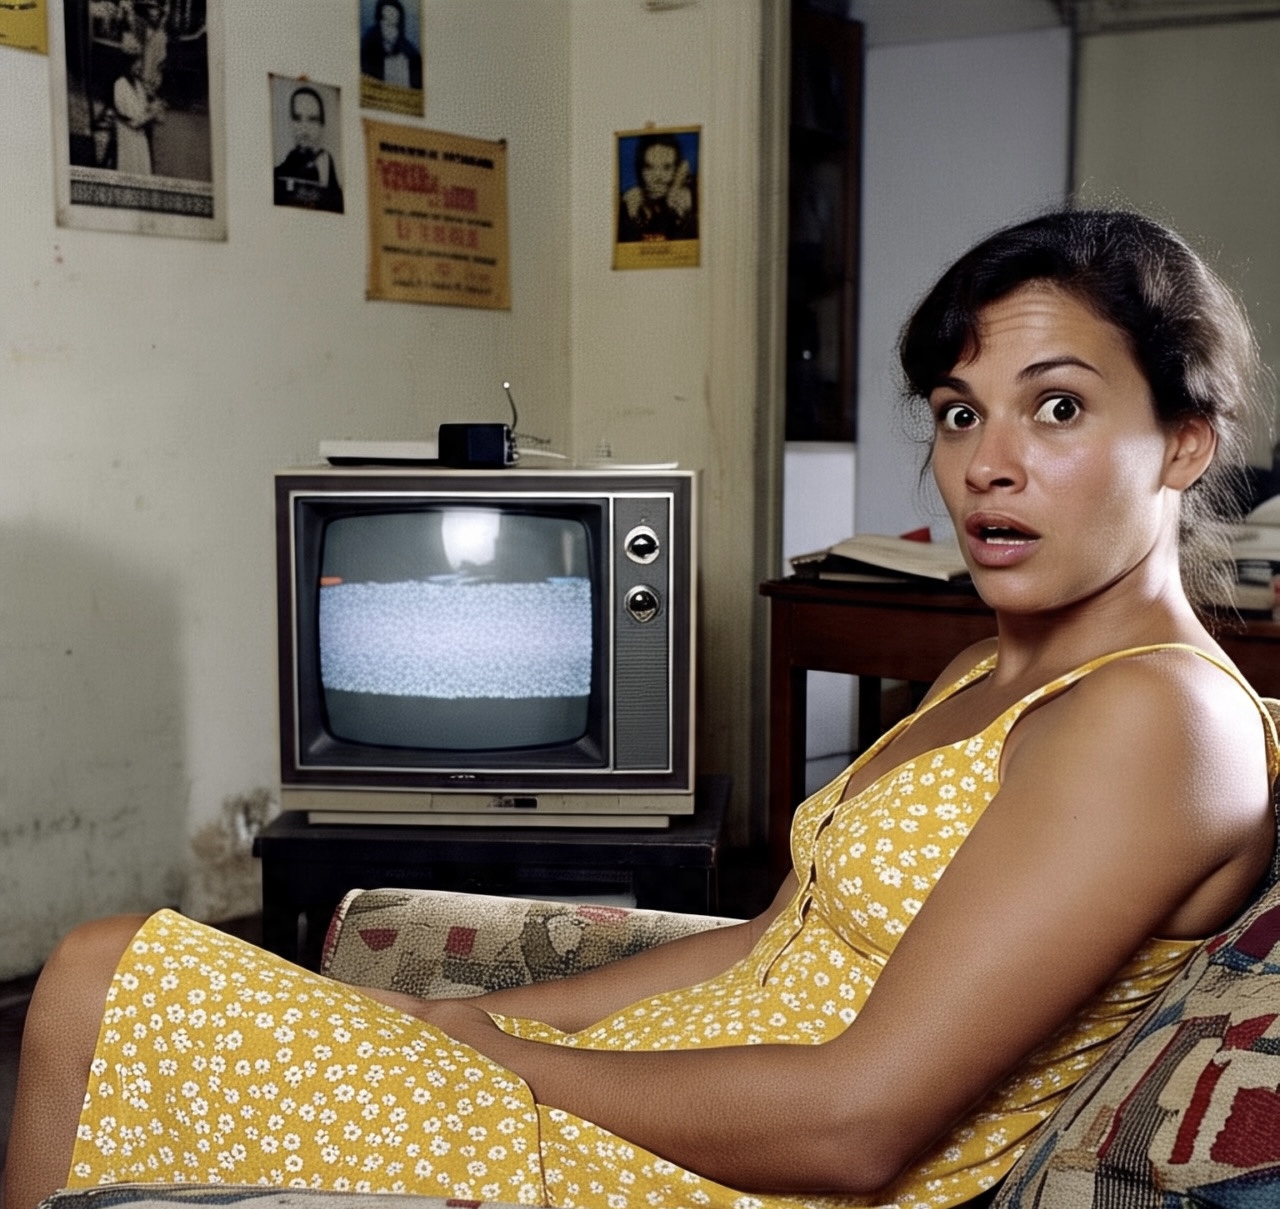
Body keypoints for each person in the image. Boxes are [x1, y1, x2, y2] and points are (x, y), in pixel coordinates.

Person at [6, 208, 1278, 1209]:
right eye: (958, 413)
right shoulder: (981, 674)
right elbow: (768, 942)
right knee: (123, 984)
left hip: (718, 1176)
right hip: (648, 1098)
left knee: (104, 975)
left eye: (1056, 407)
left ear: (1183, 440)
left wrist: (510, 1063)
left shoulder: (1156, 720)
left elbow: (856, 1125)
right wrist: (466, 1017)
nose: (985, 464)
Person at [273, 85, 344, 214]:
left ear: (322, 124)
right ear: (291, 123)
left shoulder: (326, 162)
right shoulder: (283, 168)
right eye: (297, 118)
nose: (304, 127)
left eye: (312, 119)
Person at [617, 133, 698, 243]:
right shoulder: (627, 203)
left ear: (677, 170)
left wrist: (686, 220)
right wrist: (631, 217)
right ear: (640, 171)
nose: (657, 177)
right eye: (649, 167)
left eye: (667, 167)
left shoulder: (692, 200)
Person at [360, 0, 423, 89]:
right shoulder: (368, 43)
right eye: (385, 21)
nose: (389, 29)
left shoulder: (409, 52)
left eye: (393, 25)